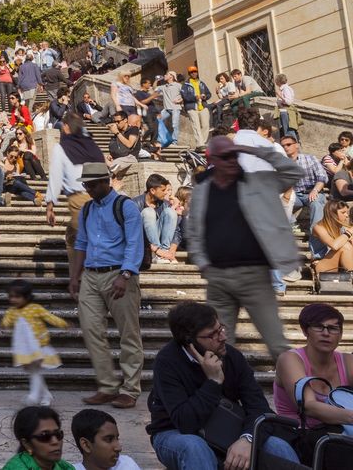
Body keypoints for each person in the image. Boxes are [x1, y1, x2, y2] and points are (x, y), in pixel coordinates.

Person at [147, 301, 300, 469]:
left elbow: (259, 407)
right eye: (212, 335)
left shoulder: (232, 357)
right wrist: (213, 382)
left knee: (277, 446)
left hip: (226, 429)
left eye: (220, 328)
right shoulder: (167, 362)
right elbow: (185, 422)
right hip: (173, 432)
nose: (223, 337)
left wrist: (248, 439)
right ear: (189, 341)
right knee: (195, 447)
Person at [186, 136, 299, 361]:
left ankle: (298, 383)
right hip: (218, 277)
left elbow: (294, 172)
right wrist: (202, 263)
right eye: (226, 156)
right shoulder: (202, 189)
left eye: (235, 155)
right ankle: (222, 385)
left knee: (277, 343)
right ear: (213, 160)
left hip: (254, 275)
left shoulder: (257, 181)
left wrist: (254, 150)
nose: (233, 160)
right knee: (217, 346)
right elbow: (195, 229)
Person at [69, 162, 144, 410]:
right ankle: (107, 385)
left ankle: (130, 389)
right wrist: (74, 276)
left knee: (128, 333)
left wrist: (125, 274)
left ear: (105, 182)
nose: (88, 189)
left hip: (119, 273)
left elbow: (134, 243)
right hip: (91, 274)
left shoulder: (126, 206)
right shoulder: (87, 209)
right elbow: (81, 243)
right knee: (91, 330)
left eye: (92, 185)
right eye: (86, 185)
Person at [45, 113, 104, 257]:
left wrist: (50, 205)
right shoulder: (92, 146)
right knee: (72, 236)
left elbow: (55, 177)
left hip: (80, 200)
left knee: (82, 246)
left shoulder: (62, 148)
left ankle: (79, 271)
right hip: (100, 198)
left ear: (66, 127)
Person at [2, 279, 69, 407]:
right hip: (24, 348)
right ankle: (46, 395)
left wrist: (63, 323)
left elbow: (49, 317)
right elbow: (7, 322)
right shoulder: (11, 311)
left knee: (35, 371)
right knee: (33, 371)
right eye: (11, 296)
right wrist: (4, 324)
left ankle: (33, 396)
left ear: (27, 297)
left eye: (17, 297)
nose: (13, 299)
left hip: (39, 346)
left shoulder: (35, 308)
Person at [281, 133, 329, 259]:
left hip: (313, 191)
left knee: (317, 206)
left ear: (297, 145)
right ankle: (292, 224)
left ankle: (318, 254)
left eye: (288, 144)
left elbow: (322, 177)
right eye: (283, 146)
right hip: (294, 194)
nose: (285, 147)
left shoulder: (310, 158)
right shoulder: (282, 163)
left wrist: (315, 190)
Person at [1, 406, 75, 470]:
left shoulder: (65, 467)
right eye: (45, 436)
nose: (55, 441)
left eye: (58, 434)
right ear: (26, 444)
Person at [70, 409, 140, 470]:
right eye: (109, 440)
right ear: (86, 445)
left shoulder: (126, 465)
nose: (119, 448)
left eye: (117, 439)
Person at [141, 174, 179, 264]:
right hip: (145, 245)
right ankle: (156, 254)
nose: (166, 193)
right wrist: (156, 249)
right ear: (152, 190)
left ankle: (164, 253)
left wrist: (171, 252)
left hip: (163, 247)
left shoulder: (165, 204)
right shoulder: (134, 204)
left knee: (170, 212)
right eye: (163, 190)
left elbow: (176, 230)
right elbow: (133, 232)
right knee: (148, 212)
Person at [311, 200, 353, 276]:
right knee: (345, 245)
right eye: (343, 212)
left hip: (340, 264)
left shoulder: (342, 227)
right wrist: (350, 231)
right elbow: (334, 246)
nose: (347, 215)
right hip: (322, 265)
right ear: (333, 213)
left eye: (347, 212)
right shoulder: (318, 227)